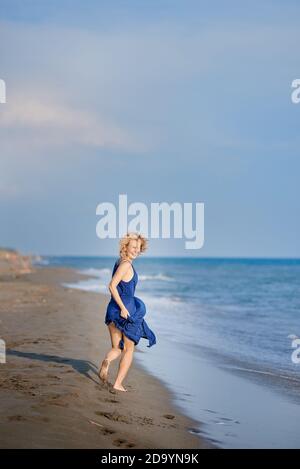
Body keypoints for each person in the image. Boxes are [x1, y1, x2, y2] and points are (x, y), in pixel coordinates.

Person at [99, 232, 156, 392]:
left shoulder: (119, 262)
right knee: (129, 349)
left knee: (117, 347)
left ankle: (107, 361)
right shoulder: (126, 265)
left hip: (112, 310)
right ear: (125, 247)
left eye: (138, 248)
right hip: (125, 312)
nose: (136, 250)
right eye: (133, 247)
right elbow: (111, 286)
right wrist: (123, 308)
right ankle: (117, 384)